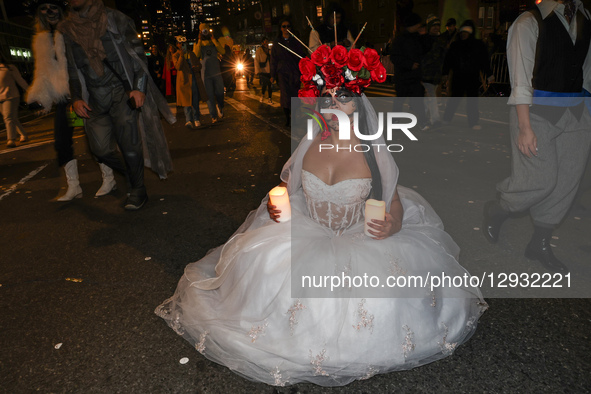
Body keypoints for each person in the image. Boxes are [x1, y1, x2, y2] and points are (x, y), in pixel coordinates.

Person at [156, 44, 486, 387]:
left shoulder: (373, 148)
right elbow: (285, 187)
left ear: (357, 103)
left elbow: (395, 201)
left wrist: (393, 224)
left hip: (360, 238)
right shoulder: (311, 140)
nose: (334, 105)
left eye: (342, 97)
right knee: (266, 277)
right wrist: (275, 205)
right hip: (307, 228)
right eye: (327, 98)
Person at [483, 0, 591, 273]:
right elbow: (520, 80)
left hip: (578, 112)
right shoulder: (529, 22)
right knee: (539, 180)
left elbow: (586, 71)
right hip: (535, 113)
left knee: (567, 181)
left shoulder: (585, 16)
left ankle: (539, 242)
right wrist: (524, 126)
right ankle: (500, 208)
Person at [59, 0, 175, 210]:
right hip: (94, 98)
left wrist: (139, 87)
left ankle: (138, 190)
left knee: (130, 145)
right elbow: (73, 69)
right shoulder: (67, 29)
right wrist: (76, 98)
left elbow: (138, 56)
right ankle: (132, 174)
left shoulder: (114, 18)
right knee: (99, 149)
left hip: (121, 93)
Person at [25, 0, 116, 201]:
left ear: (61, 10)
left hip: (83, 93)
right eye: (44, 8)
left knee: (94, 137)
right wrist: (38, 96)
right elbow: (42, 73)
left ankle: (109, 178)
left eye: (53, 7)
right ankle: (74, 186)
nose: (49, 12)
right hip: (64, 100)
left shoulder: (73, 29)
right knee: (62, 141)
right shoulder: (41, 40)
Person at [441, 20, 493, 130]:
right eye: (462, 32)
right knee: (454, 98)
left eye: (466, 32)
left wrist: (489, 74)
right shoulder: (456, 45)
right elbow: (448, 60)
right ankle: (447, 118)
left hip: (472, 76)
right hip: (458, 76)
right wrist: (445, 73)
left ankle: (473, 122)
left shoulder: (478, 45)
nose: (464, 34)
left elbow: (484, 61)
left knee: (472, 100)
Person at [390, 13, 427, 130]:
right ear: (412, 25)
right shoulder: (400, 39)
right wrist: (409, 64)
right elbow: (394, 57)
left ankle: (423, 122)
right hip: (403, 75)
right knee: (400, 99)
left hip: (415, 76)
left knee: (418, 100)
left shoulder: (418, 38)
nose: (419, 27)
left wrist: (425, 36)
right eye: (417, 24)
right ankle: (395, 121)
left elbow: (425, 51)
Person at [271, 19, 307, 127]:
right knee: (285, 96)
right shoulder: (277, 43)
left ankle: (295, 117)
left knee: (295, 96)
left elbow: (302, 57)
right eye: (283, 26)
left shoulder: (296, 42)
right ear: (280, 28)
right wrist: (272, 75)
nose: (286, 29)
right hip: (282, 72)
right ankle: (288, 118)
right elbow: (273, 59)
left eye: (288, 26)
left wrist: (305, 71)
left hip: (295, 72)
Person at [193, 23, 225, 123]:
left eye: (206, 30)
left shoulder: (214, 41)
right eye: (203, 31)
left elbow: (222, 51)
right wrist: (199, 40)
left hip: (216, 72)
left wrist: (214, 39)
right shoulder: (198, 43)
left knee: (220, 91)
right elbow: (196, 55)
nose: (205, 33)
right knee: (209, 95)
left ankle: (220, 106)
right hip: (205, 73)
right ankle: (213, 116)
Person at [170, 37, 202, 128]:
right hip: (183, 81)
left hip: (193, 79)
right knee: (186, 102)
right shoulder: (176, 55)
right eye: (180, 43)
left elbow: (199, 65)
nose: (182, 45)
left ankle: (196, 119)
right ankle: (189, 120)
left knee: (195, 100)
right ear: (177, 44)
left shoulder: (191, 53)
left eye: (183, 43)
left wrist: (197, 67)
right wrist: (181, 55)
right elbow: (178, 67)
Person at [421, 14, 446, 129]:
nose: (436, 28)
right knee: (431, 97)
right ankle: (435, 121)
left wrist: (444, 72)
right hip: (425, 73)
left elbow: (444, 57)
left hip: (436, 74)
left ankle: (424, 119)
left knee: (428, 98)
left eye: (438, 25)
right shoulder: (423, 40)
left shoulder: (441, 40)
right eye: (433, 25)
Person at [0, 51, 29, 148]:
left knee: (8, 118)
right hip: (0, 98)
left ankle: (11, 139)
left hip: (11, 96)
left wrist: (29, 91)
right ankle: (23, 134)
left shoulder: (10, 68)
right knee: (12, 118)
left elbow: (20, 80)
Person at [255, 37, 272, 103]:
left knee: (270, 85)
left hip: (269, 70)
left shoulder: (270, 50)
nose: (266, 43)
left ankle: (270, 98)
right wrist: (257, 71)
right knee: (264, 84)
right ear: (262, 42)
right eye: (264, 41)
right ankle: (262, 95)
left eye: (267, 41)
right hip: (263, 70)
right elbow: (256, 61)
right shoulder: (259, 50)